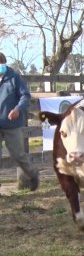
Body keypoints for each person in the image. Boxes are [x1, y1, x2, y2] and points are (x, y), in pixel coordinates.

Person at [0, 52, 39, 191]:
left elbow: (25, 96)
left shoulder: (14, 77)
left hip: (12, 123)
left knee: (18, 154)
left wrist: (17, 109)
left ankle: (33, 175)